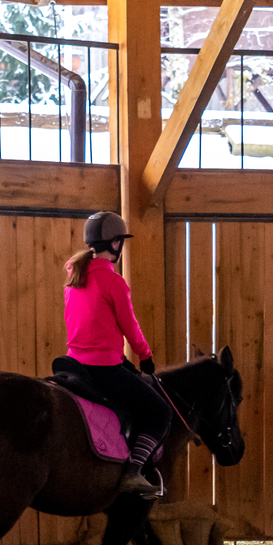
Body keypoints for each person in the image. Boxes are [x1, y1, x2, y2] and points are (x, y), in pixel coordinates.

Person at [63, 211, 171, 499]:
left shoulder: (74, 279)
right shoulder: (114, 282)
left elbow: (86, 324)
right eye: (120, 241)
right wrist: (144, 355)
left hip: (74, 363)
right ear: (114, 244)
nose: (121, 247)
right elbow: (130, 326)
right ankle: (134, 473)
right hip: (102, 368)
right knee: (160, 412)